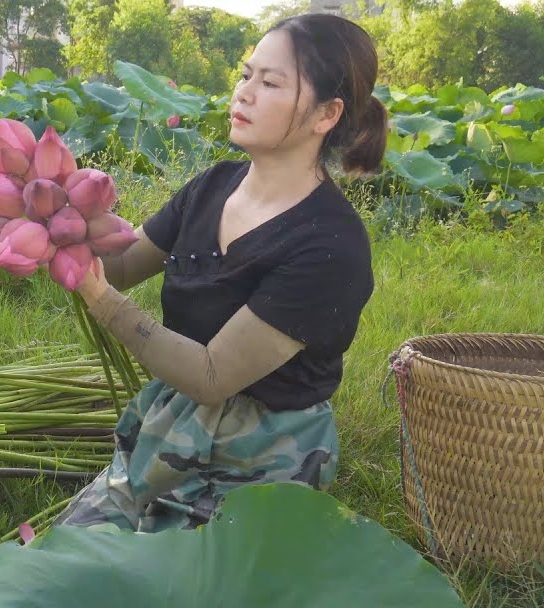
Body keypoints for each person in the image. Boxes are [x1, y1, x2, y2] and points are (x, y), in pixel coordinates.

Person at [54, 13, 385, 532]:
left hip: (260, 451)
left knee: (170, 593)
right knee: (65, 561)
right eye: (246, 74)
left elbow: (210, 377)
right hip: (172, 423)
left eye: (271, 82)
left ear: (326, 114)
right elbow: (118, 268)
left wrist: (101, 300)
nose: (244, 93)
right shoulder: (212, 187)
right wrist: (60, 214)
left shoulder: (330, 245)